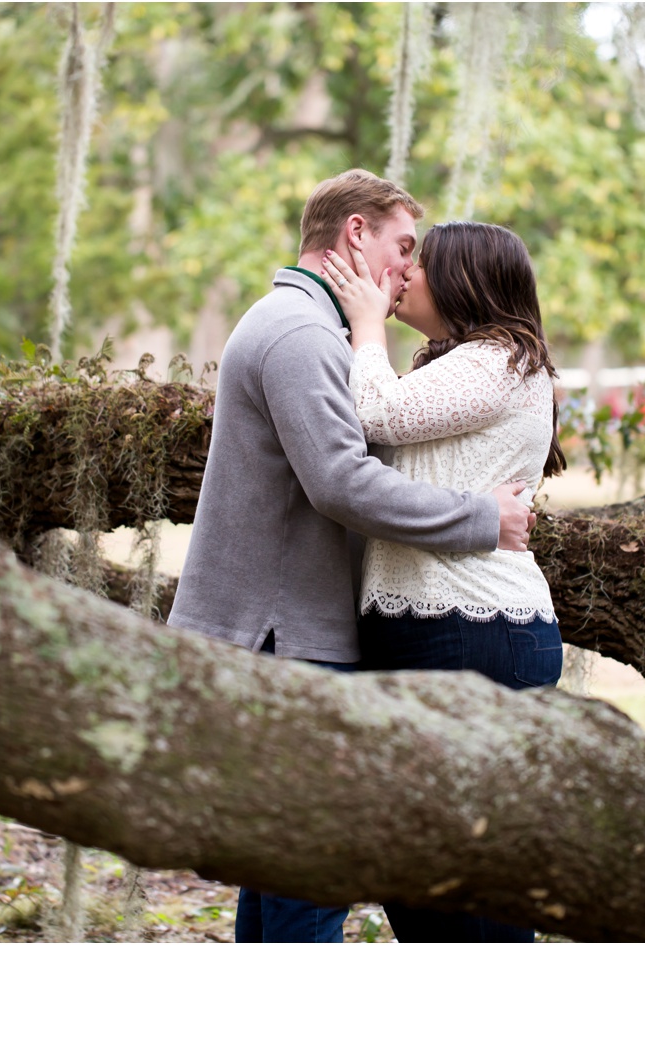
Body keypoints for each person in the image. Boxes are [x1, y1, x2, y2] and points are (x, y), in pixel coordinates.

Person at [166, 170, 535, 943]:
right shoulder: (302, 332)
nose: (405, 269)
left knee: (286, 868)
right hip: (286, 637)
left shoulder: (304, 326)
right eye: (403, 247)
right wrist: (480, 519)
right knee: (311, 872)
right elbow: (341, 480)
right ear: (355, 233)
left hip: (291, 631)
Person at [315, 219, 566, 943]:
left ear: (463, 281)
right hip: (443, 629)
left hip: (470, 632)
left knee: (464, 885)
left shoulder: (500, 363)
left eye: (422, 265)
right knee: (425, 873)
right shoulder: (467, 364)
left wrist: (365, 325)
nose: (406, 276)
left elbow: (377, 413)